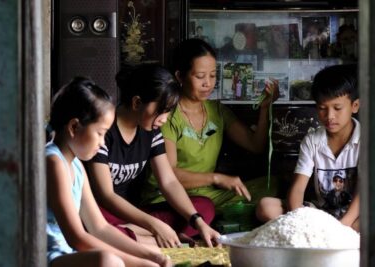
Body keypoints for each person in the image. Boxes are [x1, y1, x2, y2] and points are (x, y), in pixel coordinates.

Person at [141, 38, 279, 221]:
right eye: (200, 76)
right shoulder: (167, 116)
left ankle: (213, 217)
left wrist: (264, 109)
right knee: (204, 207)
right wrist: (217, 179)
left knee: (272, 186)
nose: (208, 83)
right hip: (168, 195)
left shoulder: (217, 111)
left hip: (207, 195)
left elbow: (256, 145)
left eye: (213, 75)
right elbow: (170, 174)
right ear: (180, 76)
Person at [86, 64, 220, 248]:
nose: (164, 119)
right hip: (102, 212)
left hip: (132, 213)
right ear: (136, 103)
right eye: (161, 111)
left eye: (168, 112)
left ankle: (135, 234)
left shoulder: (151, 131)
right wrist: (154, 225)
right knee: (91, 224)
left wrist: (198, 221)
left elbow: (169, 182)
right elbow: (106, 196)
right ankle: (148, 236)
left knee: (204, 207)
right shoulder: (104, 131)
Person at [46, 77, 171, 267]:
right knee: (109, 261)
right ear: (74, 127)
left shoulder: (76, 165)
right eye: (100, 133)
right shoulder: (53, 162)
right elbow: (77, 238)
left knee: (152, 254)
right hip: (44, 257)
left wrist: (151, 256)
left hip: (66, 254)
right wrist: (137, 263)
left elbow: (100, 227)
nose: (103, 143)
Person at [256, 64, 360, 231]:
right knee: (265, 206)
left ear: (355, 106)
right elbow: (297, 188)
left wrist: (342, 227)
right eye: (322, 108)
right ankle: (314, 231)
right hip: (319, 214)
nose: (329, 116)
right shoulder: (313, 140)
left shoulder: (366, 140)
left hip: (352, 216)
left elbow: (363, 194)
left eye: (337, 108)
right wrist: (298, 221)